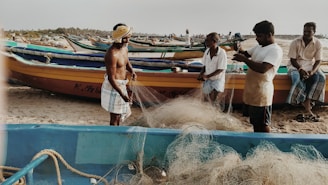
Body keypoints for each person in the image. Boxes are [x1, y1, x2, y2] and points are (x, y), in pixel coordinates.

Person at [232, 20, 283, 132]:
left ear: (269, 35)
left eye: (259, 36)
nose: (256, 39)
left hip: (262, 93)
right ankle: (257, 143)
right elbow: (244, 54)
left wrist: (244, 60)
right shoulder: (259, 47)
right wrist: (237, 48)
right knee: (255, 122)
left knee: (263, 124)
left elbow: (263, 69)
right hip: (252, 91)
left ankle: (265, 144)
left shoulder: (275, 50)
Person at [286, 22, 325, 122]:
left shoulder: (318, 43)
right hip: (295, 66)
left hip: (309, 66)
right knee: (296, 78)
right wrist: (300, 69)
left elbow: (318, 61)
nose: (306, 33)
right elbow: (292, 60)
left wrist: (312, 72)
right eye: (304, 31)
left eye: (309, 31)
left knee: (321, 77)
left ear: (314, 32)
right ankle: (302, 101)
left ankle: (309, 100)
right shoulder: (295, 42)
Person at [101, 23, 137, 126]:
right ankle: (113, 134)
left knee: (120, 114)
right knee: (115, 116)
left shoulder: (125, 49)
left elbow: (126, 61)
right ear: (120, 38)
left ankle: (117, 130)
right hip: (114, 86)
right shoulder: (111, 54)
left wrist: (132, 71)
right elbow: (111, 78)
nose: (128, 40)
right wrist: (122, 93)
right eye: (126, 38)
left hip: (122, 85)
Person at [197, 32, 227, 106]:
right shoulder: (207, 51)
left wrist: (207, 76)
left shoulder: (222, 53)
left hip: (217, 80)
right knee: (206, 99)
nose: (206, 43)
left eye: (208, 41)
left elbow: (221, 69)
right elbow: (204, 65)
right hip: (208, 79)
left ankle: (214, 113)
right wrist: (201, 74)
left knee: (214, 99)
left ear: (214, 41)